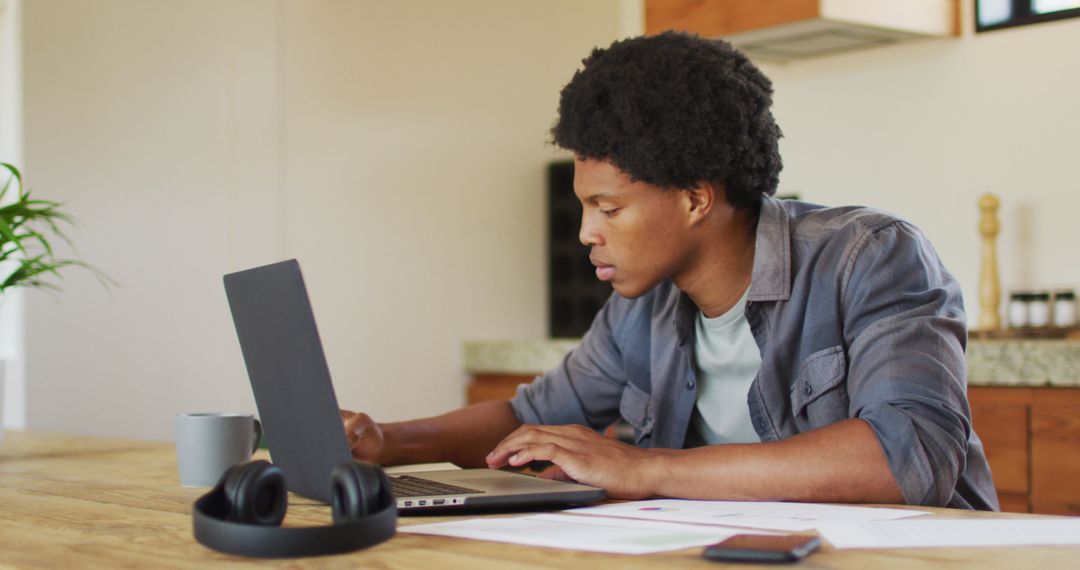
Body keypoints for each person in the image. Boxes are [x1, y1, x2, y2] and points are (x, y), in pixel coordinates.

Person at [340, 32, 998, 510]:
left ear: (694, 198)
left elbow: (908, 456)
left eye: (608, 208)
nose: (585, 233)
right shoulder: (642, 306)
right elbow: (528, 415)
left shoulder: (870, 255)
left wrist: (643, 467)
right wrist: (387, 441)